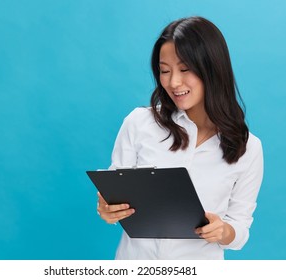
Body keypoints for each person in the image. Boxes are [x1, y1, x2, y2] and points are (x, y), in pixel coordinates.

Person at [96, 16, 263, 260]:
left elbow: (239, 228)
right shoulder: (139, 123)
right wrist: (107, 208)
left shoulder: (249, 148)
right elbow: (115, 194)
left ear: (212, 69)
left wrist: (223, 231)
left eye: (185, 69)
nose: (173, 82)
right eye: (165, 71)